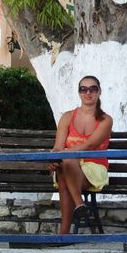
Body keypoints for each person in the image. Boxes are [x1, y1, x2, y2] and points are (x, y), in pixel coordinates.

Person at [48, 75, 113, 234]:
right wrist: (53, 158)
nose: (88, 92)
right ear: (79, 93)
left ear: (99, 92)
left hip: (94, 168)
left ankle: (64, 233)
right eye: (83, 89)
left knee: (67, 164)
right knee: (64, 170)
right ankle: (79, 206)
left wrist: (63, 155)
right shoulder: (67, 117)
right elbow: (58, 147)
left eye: (93, 89)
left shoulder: (105, 120)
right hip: (69, 166)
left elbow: (90, 145)